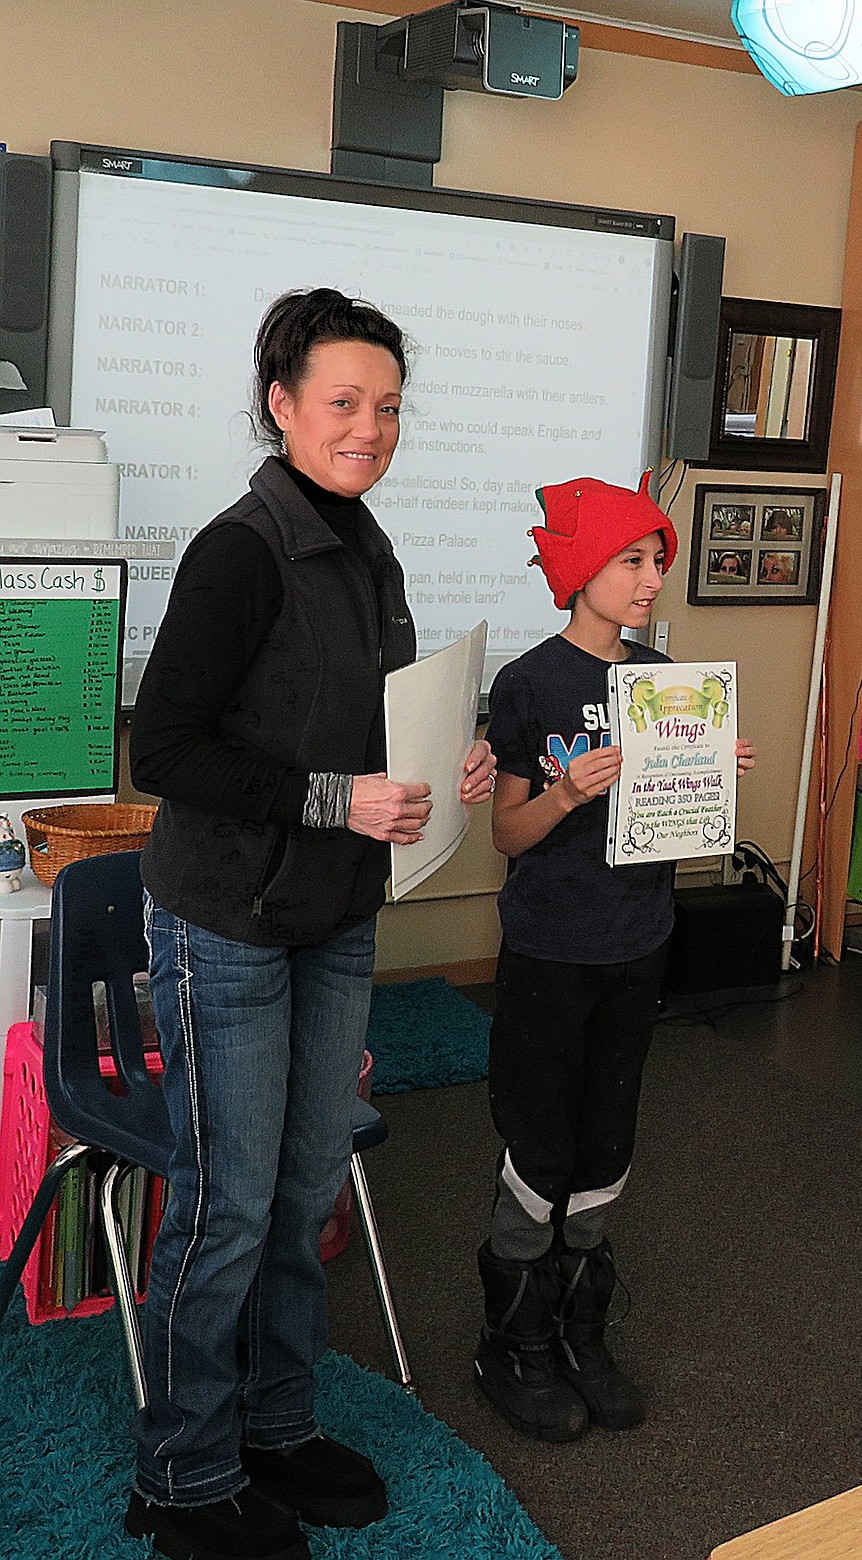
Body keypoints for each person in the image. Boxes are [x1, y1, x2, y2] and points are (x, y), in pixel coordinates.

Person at [127, 287, 495, 1560]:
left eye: (387, 407)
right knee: (223, 1208)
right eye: (344, 403)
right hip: (226, 920)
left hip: (333, 912)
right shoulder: (242, 547)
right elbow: (162, 746)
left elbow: (349, 718)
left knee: (299, 1192)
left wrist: (453, 761)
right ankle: (180, 1479)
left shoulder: (367, 538)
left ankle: (276, 1428)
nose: (370, 428)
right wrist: (344, 796)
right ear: (280, 405)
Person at [474, 473, 755, 1442]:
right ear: (579, 569)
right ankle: (512, 1339)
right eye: (632, 562)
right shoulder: (527, 684)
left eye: (657, 563)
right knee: (540, 1143)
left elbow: (677, 819)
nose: (650, 582)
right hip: (551, 948)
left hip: (640, 942)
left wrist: (707, 768)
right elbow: (507, 837)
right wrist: (566, 794)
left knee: (607, 1142)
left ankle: (580, 1327)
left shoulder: (662, 679)